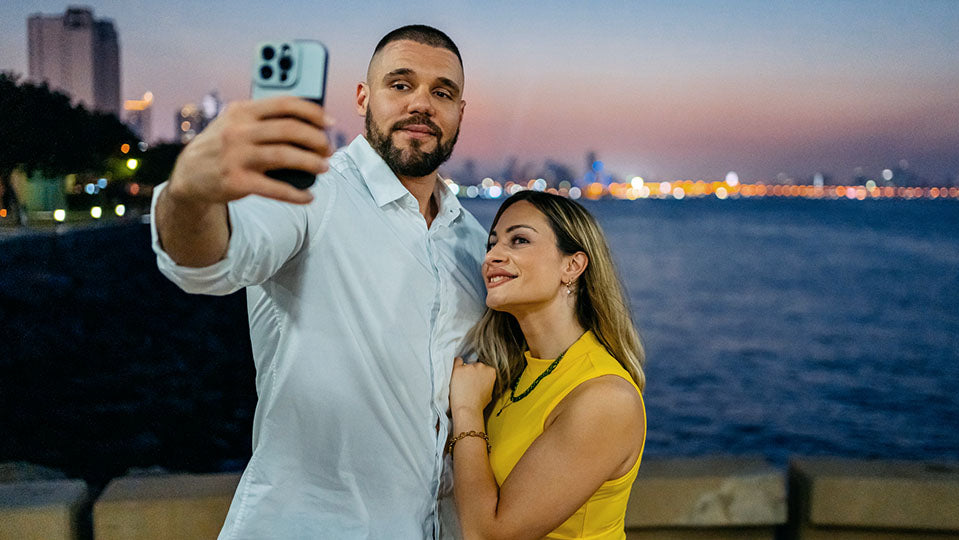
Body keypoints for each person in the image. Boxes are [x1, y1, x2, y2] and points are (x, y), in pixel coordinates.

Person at [151, 25, 487, 539]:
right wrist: (190, 195)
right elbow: (207, 264)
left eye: (442, 92)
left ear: (460, 112)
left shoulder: (473, 241)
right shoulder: (311, 195)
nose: (422, 103)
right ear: (363, 97)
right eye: (400, 84)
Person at [447, 191, 647, 540]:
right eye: (492, 244)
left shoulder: (603, 397)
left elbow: (487, 534)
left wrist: (466, 409)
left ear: (572, 266)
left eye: (519, 240)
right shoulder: (518, 370)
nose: (493, 255)